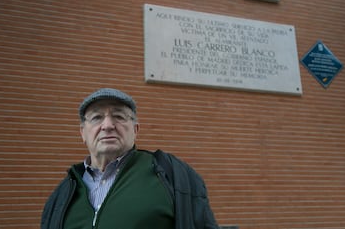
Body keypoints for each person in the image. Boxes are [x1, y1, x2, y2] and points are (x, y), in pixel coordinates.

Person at [41, 88, 219, 229]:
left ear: (135, 130)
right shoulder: (63, 194)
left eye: (118, 116)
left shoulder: (171, 175)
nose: (108, 125)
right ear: (83, 133)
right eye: (96, 117)